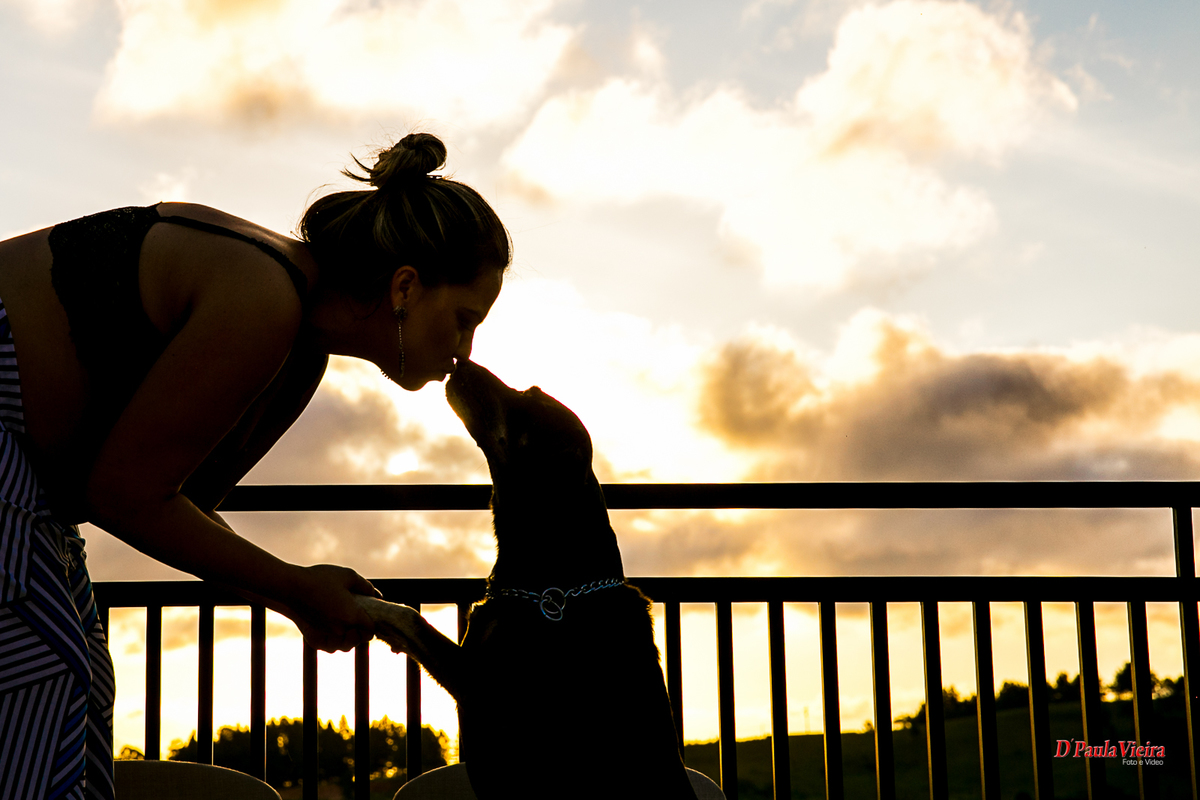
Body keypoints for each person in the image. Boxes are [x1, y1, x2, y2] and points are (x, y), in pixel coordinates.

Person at [0, 132, 509, 800]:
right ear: (406, 287)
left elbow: (178, 507)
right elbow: (125, 493)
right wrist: (295, 587)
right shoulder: (264, 296)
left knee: (79, 688)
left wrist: (295, 596)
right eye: (465, 319)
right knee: (44, 676)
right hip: (21, 469)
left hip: (32, 485)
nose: (466, 350)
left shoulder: (299, 351)